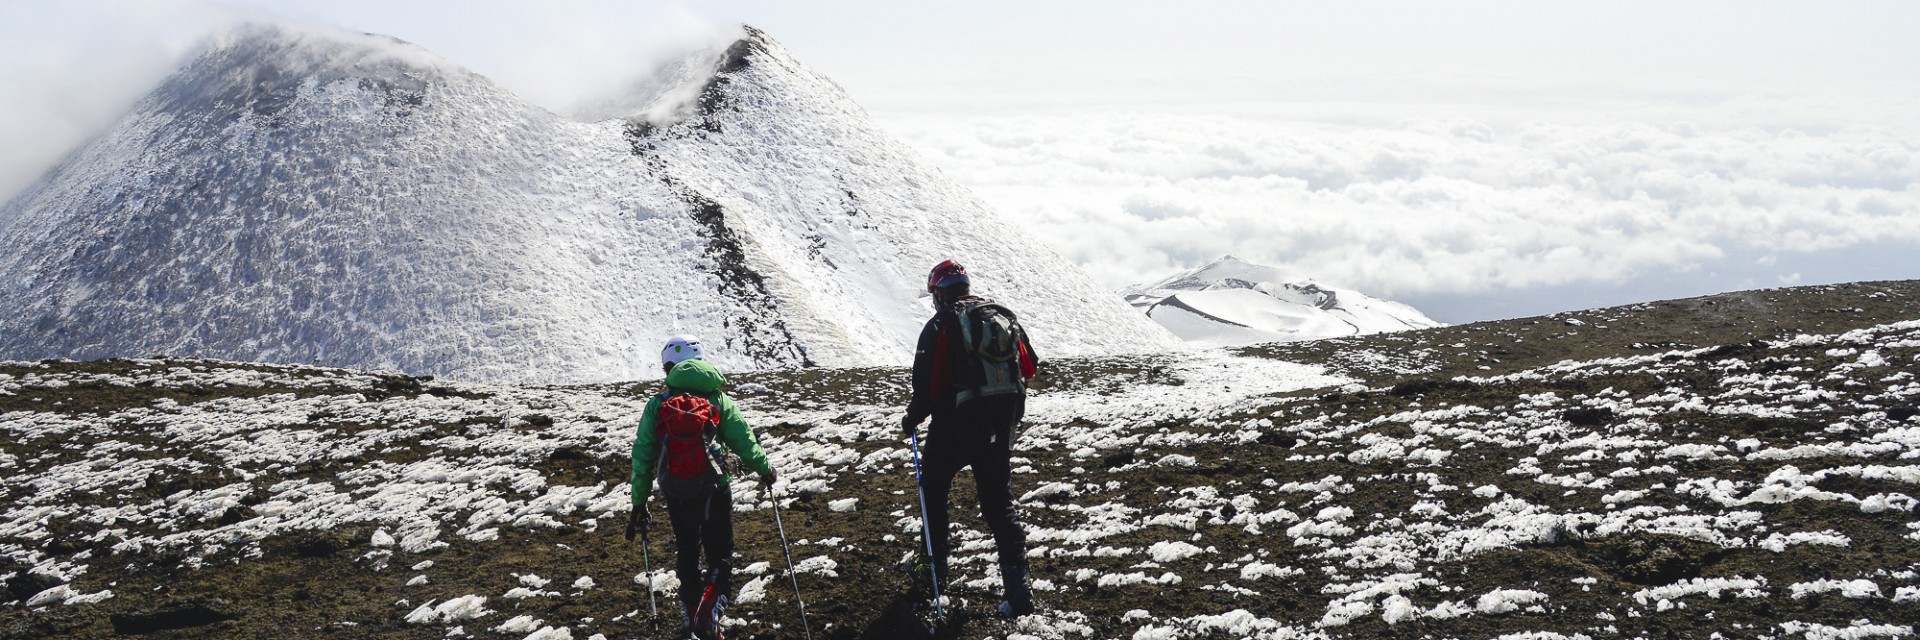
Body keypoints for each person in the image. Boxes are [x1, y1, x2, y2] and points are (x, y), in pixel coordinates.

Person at [901, 260, 1040, 618]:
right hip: (998, 425)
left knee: (933, 492)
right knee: (998, 504)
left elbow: (926, 389)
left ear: (940, 293)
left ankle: (934, 574)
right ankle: (1018, 592)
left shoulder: (940, 326)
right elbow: (1030, 367)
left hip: (953, 428)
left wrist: (911, 418)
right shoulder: (999, 317)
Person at [627, 336, 776, 640]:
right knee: (720, 553)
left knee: (687, 552)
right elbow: (745, 443)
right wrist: (766, 470)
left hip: (676, 491)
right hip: (714, 488)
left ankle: (691, 619)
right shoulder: (717, 401)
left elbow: (643, 456)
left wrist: (638, 504)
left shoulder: (658, 405)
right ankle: (708, 615)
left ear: (669, 368)